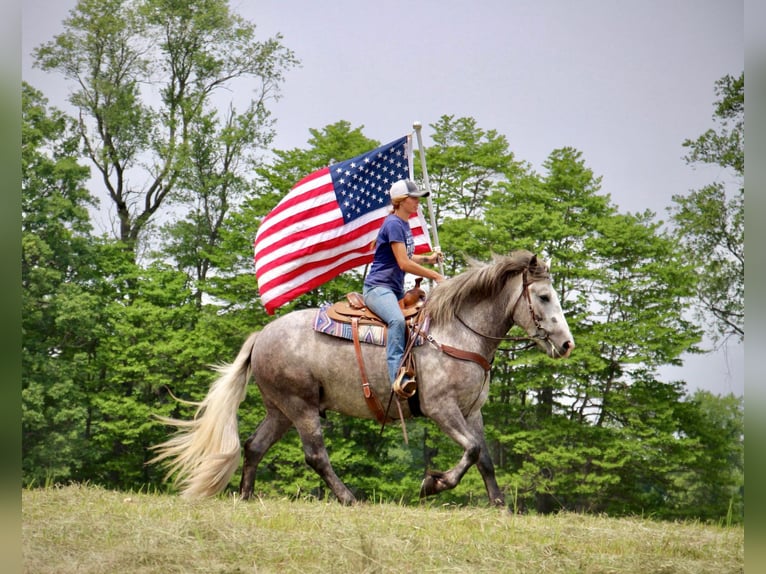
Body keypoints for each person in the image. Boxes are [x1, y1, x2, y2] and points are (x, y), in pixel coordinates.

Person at [363, 179, 445, 398]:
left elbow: (407, 255)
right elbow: (404, 263)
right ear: (400, 201)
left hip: (395, 289)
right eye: (413, 198)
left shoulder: (403, 224)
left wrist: (428, 259)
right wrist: (435, 275)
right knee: (397, 321)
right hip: (378, 288)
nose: (417, 202)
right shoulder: (393, 224)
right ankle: (397, 378)